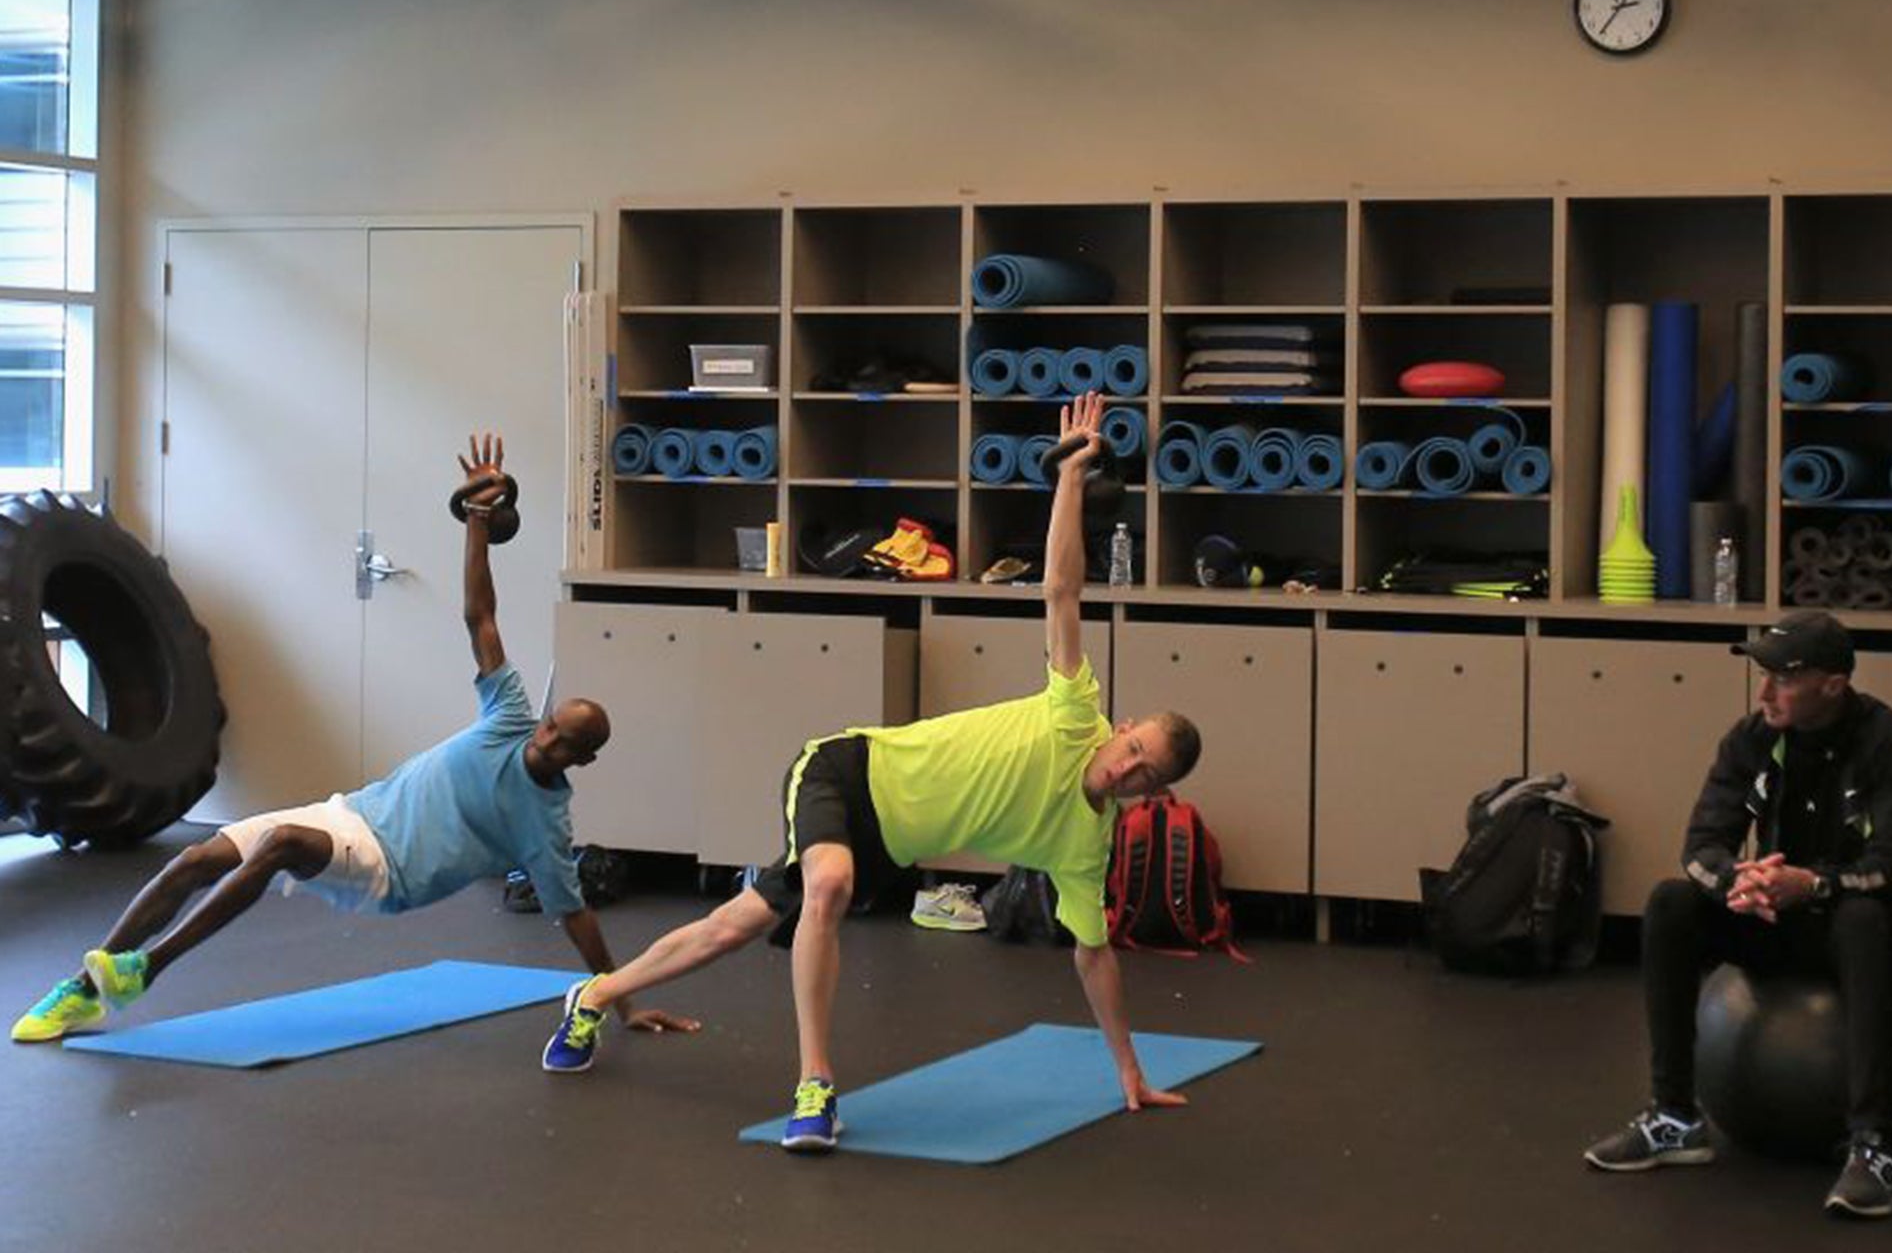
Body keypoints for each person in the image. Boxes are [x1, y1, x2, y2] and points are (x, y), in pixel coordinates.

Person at [541, 391, 1202, 1153]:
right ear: (1121, 730)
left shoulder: (1087, 850)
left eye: (1143, 773)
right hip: (846, 770)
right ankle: (815, 1086)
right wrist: (1070, 477)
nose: (1125, 768)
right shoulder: (1073, 710)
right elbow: (1061, 591)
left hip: (886, 842)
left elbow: (1094, 957)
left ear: (1155, 793)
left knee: (734, 926)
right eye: (1132, 748)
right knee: (827, 885)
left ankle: (593, 995)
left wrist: (1128, 1068)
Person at [13, 434, 690, 1044]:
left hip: (386, 871)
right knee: (196, 860)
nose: (546, 741)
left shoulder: (543, 821)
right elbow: (479, 614)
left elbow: (577, 920)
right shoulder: (510, 714)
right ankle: (82, 990)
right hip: (348, 815)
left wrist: (622, 1001)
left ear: (583, 759)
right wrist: (478, 520)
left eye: (565, 743)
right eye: (551, 726)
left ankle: (143, 970)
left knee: (278, 846)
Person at [1583, 610, 1892, 1218]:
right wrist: (1736, 883)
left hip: (1870, 930)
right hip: (1780, 915)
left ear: (1833, 684)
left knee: (1860, 918)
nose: (1765, 692)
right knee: (1671, 902)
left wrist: (1814, 884)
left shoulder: (1889, 743)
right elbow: (1701, 846)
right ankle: (1674, 1116)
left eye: (1782, 679)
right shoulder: (1751, 738)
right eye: (1761, 676)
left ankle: (1874, 1145)